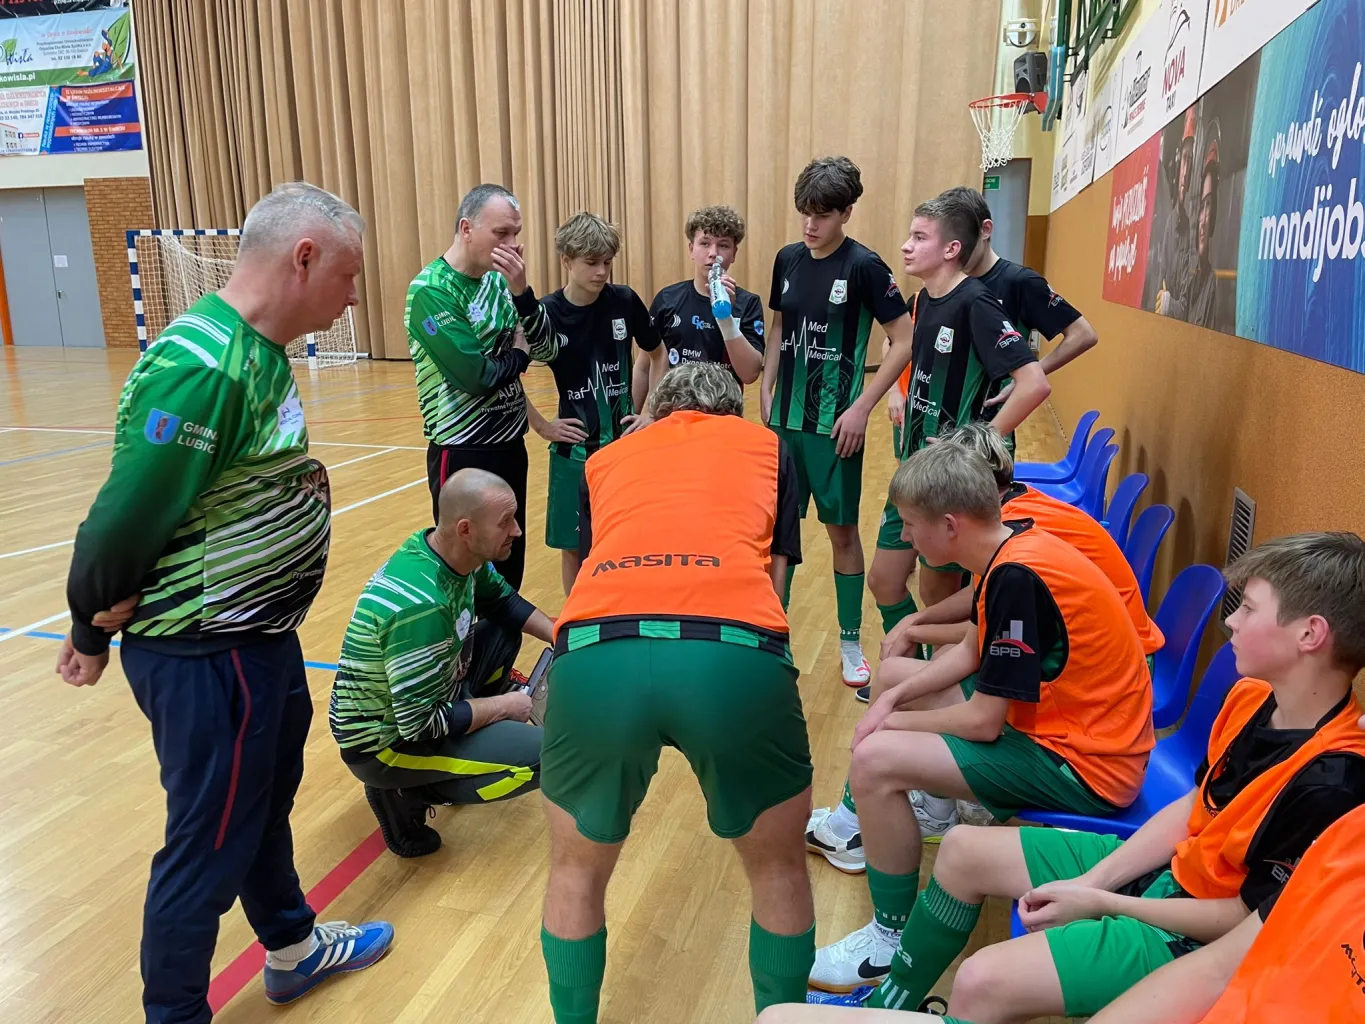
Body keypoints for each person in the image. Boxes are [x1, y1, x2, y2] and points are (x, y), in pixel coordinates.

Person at [59, 182, 392, 1022]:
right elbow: (121, 521)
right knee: (208, 844)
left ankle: (291, 947)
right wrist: (88, 623)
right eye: (347, 275)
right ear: (303, 257)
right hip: (207, 652)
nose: (354, 296)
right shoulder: (205, 368)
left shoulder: (259, 352)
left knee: (259, 809)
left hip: (255, 639)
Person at [851, 530, 1365, 1021]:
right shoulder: (1252, 696)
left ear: (1310, 634)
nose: (1231, 621)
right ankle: (889, 1006)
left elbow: (1243, 922)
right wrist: (1093, 881)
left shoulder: (1334, 783)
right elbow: (1195, 806)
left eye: (1248, 609)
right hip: (1169, 876)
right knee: (963, 849)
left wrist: (1101, 902)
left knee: (980, 980)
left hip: (1197, 937)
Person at [809, 442, 1155, 997]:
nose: (907, 539)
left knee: (874, 760)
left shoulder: (1017, 577)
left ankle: (887, 939)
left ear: (950, 526)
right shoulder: (1010, 547)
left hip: (1088, 766)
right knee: (895, 686)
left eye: (910, 525)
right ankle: (927, 816)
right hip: (1069, 733)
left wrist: (887, 725)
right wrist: (892, 701)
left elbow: (983, 723)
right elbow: (972, 650)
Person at [539, 362, 813, 1022]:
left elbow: (583, 567)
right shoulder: (770, 447)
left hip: (596, 650)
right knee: (777, 870)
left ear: (657, 410)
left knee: (574, 872)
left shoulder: (608, 456)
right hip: (731, 650)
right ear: (732, 412)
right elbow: (775, 580)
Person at [329, 468, 556, 858]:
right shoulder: (422, 607)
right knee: (550, 756)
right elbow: (418, 725)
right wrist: (504, 706)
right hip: (384, 745)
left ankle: (474, 736)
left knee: (503, 632)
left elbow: (505, 603)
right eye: (505, 522)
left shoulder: (449, 550)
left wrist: (562, 636)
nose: (517, 530)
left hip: (430, 700)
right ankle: (407, 793)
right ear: (466, 529)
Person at [759, 155, 916, 687]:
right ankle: (771, 638)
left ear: (846, 213)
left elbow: (904, 339)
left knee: (842, 533)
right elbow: (779, 326)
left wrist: (862, 407)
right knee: (775, 537)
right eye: (804, 212)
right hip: (784, 424)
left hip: (836, 427)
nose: (810, 224)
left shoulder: (866, 266)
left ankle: (849, 642)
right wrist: (766, 385)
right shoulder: (787, 259)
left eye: (822, 215)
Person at [865, 195, 1050, 641]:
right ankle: (910, 658)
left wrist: (971, 446)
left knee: (937, 596)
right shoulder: (924, 301)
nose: (906, 246)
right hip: (915, 472)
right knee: (884, 581)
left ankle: (936, 672)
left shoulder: (976, 303)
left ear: (951, 249)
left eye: (919, 237)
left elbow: (1034, 383)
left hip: (948, 484)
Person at [873, 420, 1164, 702]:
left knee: (930, 672)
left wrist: (915, 631)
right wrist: (917, 622)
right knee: (940, 662)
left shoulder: (1010, 534)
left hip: (1122, 663)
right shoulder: (1011, 511)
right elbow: (980, 604)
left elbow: (995, 630)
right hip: (1116, 649)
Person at [406, 182, 558, 589]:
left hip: (510, 445)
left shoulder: (500, 282)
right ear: (466, 228)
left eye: (516, 234)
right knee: (467, 569)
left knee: (508, 563)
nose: (512, 245)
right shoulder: (432, 291)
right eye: (501, 233)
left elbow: (548, 348)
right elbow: (475, 377)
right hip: (463, 448)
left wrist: (523, 295)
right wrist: (518, 356)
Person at [1092, 799, 1365, 1024]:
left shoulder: (1333, 786)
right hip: (1175, 886)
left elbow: (1238, 916)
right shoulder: (1352, 834)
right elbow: (1219, 966)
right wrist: (1096, 887)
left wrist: (1107, 901)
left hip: (1190, 919)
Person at [524, 212, 660, 594]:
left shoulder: (624, 301)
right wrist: (542, 426)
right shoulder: (546, 314)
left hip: (623, 450)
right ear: (566, 260)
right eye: (591, 262)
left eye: (607, 262)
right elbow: (508, 373)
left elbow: (658, 353)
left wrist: (650, 412)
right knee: (573, 548)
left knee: (626, 542)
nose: (601, 272)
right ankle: (578, 621)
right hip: (573, 453)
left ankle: (622, 612)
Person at [944, 185, 1098, 412]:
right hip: (944, 416)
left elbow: (1083, 334)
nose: (955, 251)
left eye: (962, 239)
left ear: (985, 230)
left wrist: (1029, 376)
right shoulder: (948, 280)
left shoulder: (1021, 282)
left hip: (990, 420)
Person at [633, 204, 765, 400]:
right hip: (674, 411)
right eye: (705, 243)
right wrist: (636, 415)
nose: (713, 253)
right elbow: (644, 366)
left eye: (723, 245)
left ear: (734, 253)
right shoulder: (667, 299)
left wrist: (726, 318)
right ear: (691, 249)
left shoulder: (748, 303)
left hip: (723, 412)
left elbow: (750, 374)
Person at [1153, 107, 1198, 318]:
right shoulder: (1172, 221)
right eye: (1184, 160)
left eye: (1191, 161)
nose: (1186, 172)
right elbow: (1161, 283)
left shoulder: (1195, 228)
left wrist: (1169, 305)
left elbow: (1190, 308)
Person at [1188, 137, 1221, 330]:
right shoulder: (1194, 279)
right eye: (1202, 207)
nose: (1202, 220)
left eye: (1209, 205)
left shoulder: (1214, 285)